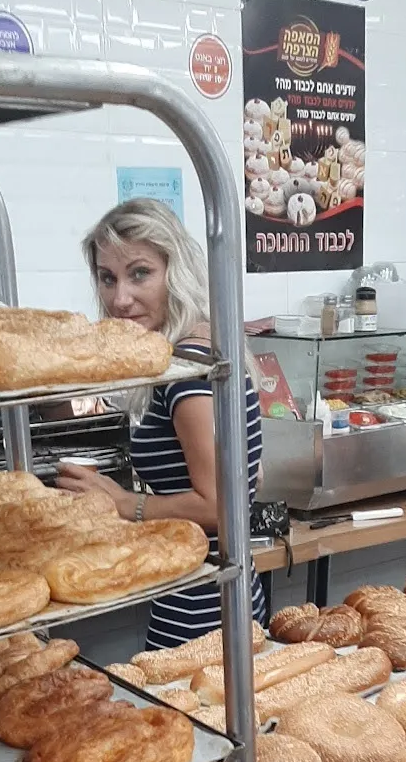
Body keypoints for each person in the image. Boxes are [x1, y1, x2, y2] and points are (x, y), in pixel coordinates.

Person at [55, 198, 266, 649]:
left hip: (202, 602)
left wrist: (124, 504)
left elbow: (220, 505)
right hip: (221, 588)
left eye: (140, 274)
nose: (120, 299)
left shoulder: (187, 371)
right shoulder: (206, 347)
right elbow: (254, 475)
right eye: (107, 278)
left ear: (177, 272)